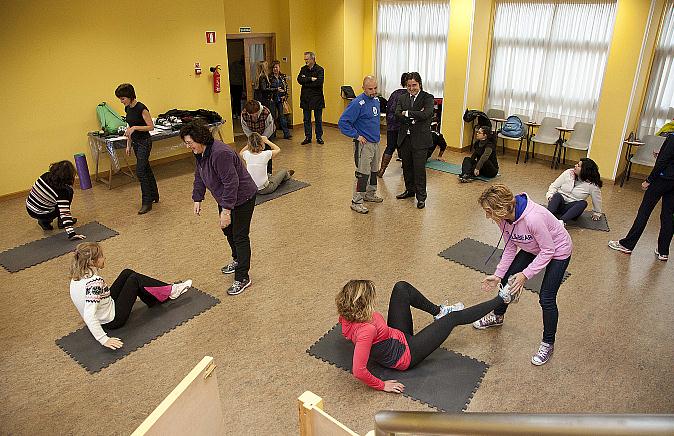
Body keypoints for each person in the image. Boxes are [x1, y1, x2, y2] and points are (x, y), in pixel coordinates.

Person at [336, 279, 516, 392]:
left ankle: (438, 311)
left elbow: (348, 333)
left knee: (401, 288)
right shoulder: (366, 331)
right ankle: (502, 299)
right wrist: (383, 385)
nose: (375, 300)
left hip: (396, 336)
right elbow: (358, 371)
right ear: (363, 306)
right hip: (406, 354)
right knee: (453, 318)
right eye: (371, 299)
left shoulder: (346, 314)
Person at [473, 184, 572, 366]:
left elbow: (548, 250)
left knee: (546, 298)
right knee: (506, 278)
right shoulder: (502, 219)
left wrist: (525, 275)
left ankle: (548, 343)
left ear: (502, 208)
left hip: (557, 250)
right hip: (533, 246)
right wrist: (498, 275)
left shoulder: (533, 218)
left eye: (489, 212)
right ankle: (498, 316)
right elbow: (511, 246)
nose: (488, 216)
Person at [181, 121, 258, 296]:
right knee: (227, 230)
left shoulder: (220, 153)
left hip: (242, 197)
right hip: (225, 198)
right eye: (186, 143)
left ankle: (243, 277)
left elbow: (232, 183)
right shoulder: (200, 152)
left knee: (239, 235)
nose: (188, 146)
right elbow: (200, 174)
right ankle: (237, 259)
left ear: (199, 139)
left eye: (189, 142)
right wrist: (197, 198)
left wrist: (226, 211)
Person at [69, 242, 192, 349]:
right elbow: (89, 314)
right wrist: (104, 339)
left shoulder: (78, 276)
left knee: (127, 273)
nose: (104, 258)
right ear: (92, 262)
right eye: (101, 256)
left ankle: (154, 298)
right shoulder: (94, 283)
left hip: (104, 309)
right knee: (135, 280)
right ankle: (171, 291)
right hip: (113, 320)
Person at [609, 134, 674, 261]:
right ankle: (663, 252)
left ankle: (627, 245)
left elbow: (662, 161)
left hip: (662, 179)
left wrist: (649, 179)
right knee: (668, 215)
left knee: (644, 211)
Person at [338, 75, 383, 214]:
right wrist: (357, 136)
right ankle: (356, 201)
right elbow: (343, 122)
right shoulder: (357, 103)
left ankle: (370, 193)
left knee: (374, 171)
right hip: (364, 144)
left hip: (376, 142)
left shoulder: (376, 100)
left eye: (375, 88)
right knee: (362, 173)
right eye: (370, 89)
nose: (373, 91)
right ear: (363, 88)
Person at [115, 83, 158, 214]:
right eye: (120, 99)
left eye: (123, 98)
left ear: (130, 96)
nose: (121, 101)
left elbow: (151, 127)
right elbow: (130, 127)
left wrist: (135, 128)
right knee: (146, 168)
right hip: (136, 143)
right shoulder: (128, 109)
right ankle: (155, 195)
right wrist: (128, 145)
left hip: (145, 142)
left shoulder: (142, 108)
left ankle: (147, 201)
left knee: (140, 171)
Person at [394, 72, 435, 209]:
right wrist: (414, 116)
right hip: (405, 138)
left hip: (421, 140)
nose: (411, 88)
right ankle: (410, 190)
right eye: (409, 86)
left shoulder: (427, 98)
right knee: (407, 167)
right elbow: (397, 114)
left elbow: (427, 114)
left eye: (414, 85)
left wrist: (407, 113)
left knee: (419, 169)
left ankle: (421, 197)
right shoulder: (402, 97)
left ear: (420, 84)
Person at [26, 160, 85, 240]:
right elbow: (65, 212)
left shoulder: (45, 175)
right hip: (42, 213)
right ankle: (54, 222)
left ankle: (44, 222)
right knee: (69, 192)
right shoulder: (62, 191)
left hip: (29, 208)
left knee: (55, 199)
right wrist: (72, 234)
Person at [546, 158, 603, 223]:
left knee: (583, 203)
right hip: (558, 205)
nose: (575, 165)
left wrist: (597, 213)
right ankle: (546, 217)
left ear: (585, 170)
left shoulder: (592, 185)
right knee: (557, 195)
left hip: (572, 209)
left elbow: (597, 200)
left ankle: (561, 222)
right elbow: (554, 186)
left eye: (578, 165)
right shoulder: (568, 172)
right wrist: (549, 196)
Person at [378, 73, 409, 177]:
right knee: (405, 148)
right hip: (403, 126)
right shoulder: (411, 95)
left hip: (391, 125)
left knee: (390, 147)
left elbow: (388, 109)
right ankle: (406, 172)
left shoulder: (395, 93)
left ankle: (382, 170)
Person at [297, 51, 325, 145]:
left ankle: (319, 137)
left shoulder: (320, 69)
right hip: (306, 98)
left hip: (317, 98)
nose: (305, 61)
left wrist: (306, 82)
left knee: (318, 119)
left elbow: (319, 82)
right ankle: (308, 137)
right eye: (305, 59)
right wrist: (310, 79)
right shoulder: (303, 69)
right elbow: (299, 80)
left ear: (312, 59)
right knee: (306, 119)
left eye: (307, 59)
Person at [241, 100, 275, 174]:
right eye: (251, 115)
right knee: (253, 153)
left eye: (255, 114)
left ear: (258, 110)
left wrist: (263, 140)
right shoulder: (244, 114)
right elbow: (245, 128)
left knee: (266, 153)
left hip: (266, 134)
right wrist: (252, 138)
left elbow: (269, 128)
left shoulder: (266, 112)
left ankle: (269, 173)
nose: (253, 116)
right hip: (252, 134)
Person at [269, 60, 292, 139]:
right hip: (272, 99)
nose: (275, 69)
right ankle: (272, 135)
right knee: (272, 117)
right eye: (273, 67)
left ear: (279, 67)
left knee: (282, 117)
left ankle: (286, 134)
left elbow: (286, 88)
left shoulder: (282, 77)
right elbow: (268, 88)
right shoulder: (270, 77)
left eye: (276, 67)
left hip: (281, 100)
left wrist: (285, 96)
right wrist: (275, 89)